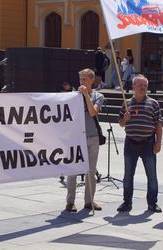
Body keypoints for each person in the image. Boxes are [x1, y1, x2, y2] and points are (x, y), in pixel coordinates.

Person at [117, 74, 162, 213]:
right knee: (128, 175)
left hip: (148, 142)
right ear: (133, 87)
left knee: (152, 176)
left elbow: (159, 124)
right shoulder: (126, 103)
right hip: (130, 142)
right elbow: (121, 124)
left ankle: (152, 203)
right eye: (140, 85)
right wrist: (125, 119)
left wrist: (158, 143)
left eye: (145, 85)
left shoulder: (153, 103)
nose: (143, 87)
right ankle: (127, 202)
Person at [66, 68, 104, 212]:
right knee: (73, 171)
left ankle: (89, 201)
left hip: (93, 137)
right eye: (80, 79)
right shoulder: (73, 96)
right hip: (76, 137)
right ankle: (70, 202)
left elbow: (93, 112)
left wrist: (86, 96)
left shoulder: (98, 96)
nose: (82, 82)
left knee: (91, 171)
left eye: (85, 79)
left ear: (91, 80)